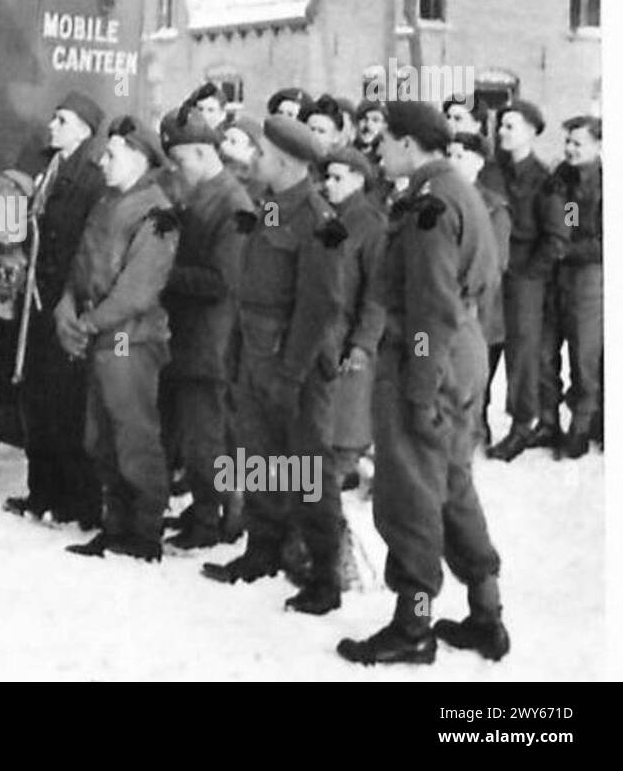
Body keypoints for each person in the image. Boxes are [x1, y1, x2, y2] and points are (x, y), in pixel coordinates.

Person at [338, 102, 507, 665]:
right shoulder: (454, 191)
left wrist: (417, 386)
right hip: (459, 354)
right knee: (452, 484)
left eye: (385, 140)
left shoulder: (430, 204)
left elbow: (429, 309)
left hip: (428, 356)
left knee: (408, 492)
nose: (378, 149)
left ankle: (412, 628)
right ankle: (487, 614)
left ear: (411, 143)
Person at [201, 115, 347, 616]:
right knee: (258, 454)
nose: (254, 160)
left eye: (261, 154)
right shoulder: (269, 209)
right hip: (256, 351)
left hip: (296, 363)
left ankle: (325, 573)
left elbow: (321, 306)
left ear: (284, 162)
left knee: (308, 469)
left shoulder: (319, 220)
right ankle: (262, 549)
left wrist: (291, 371)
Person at [58, 116, 179, 562]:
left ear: (138, 156)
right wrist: (66, 307)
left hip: (130, 339)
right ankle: (115, 526)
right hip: (102, 335)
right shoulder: (108, 201)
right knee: (101, 435)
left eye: (111, 154)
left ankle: (144, 532)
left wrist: (85, 324)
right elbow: (81, 264)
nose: (102, 161)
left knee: (133, 434)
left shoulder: (157, 211)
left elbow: (138, 290)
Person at [6, 91, 108, 526]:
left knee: (66, 404)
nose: (52, 126)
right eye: (53, 118)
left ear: (84, 129)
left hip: (63, 302)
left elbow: (85, 245)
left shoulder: (90, 176)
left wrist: (68, 295)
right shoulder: (53, 167)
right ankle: (41, 491)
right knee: (38, 400)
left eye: (62, 120)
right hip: (38, 302)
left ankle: (78, 501)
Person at [159, 113, 252, 549]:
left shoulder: (233, 205)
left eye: (180, 159)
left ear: (202, 153)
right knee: (197, 435)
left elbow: (222, 281)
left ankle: (210, 521)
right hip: (191, 338)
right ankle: (202, 512)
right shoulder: (204, 195)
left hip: (212, 342)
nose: (175, 169)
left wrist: (165, 273)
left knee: (207, 438)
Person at [487, 101, 569, 461]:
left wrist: (527, 274)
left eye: (511, 126)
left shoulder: (546, 179)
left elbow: (557, 238)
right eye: (501, 125)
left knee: (522, 354)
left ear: (532, 131)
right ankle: (477, 419)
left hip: (525, 278)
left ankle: (522, 426)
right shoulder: (492, 171)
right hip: (493, 273)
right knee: (485, 344)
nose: (503, 132)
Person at [320, 147, 387, 489]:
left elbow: (378, 292)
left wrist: (362, 344)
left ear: (359, 180)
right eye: (326, 177)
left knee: (346, 419)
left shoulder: (370, 224)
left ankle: (346, 468)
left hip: (348, 337)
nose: (328, 185)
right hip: (322, 333)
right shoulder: (325, 218)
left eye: (337, 178)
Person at [539, 116, 603, 459]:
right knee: (544, 352)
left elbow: (604, 243)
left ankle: (580, 427)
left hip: (589, 280)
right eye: (567, 142)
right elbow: (571, 222)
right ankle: (549, 422)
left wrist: (567, 248)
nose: (569, 149)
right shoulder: (562, 178)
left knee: (584, 356)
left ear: (599, 145)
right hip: (556, 276)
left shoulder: (606, 183)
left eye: (578, 143)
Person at [447, 132, 512, 448]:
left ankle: (471, 436)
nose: (452, 161)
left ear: (478, 162)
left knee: (472, 381)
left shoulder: (494, 207)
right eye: (449, 154)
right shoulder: (438, 199)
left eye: (460, 155)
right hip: (442, 305)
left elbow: (494, 263)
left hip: (477, 308)